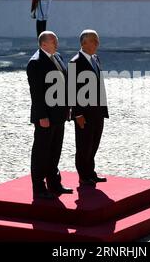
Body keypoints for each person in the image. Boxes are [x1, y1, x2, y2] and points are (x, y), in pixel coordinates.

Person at [26, 31, 73, 199]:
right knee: (41, 152)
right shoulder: (36, 63)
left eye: (56, 40)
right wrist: (42, 116)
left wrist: (68, 107)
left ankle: (54, 183)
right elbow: (37, 94)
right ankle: (39, 187)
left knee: (55, 150)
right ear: (43, 44)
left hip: (59, 113)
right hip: (45, 116)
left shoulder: (57, 56)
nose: (57, 43)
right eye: (53, 41)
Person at [68, 30, 109, 186]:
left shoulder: (96, 58)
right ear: (84, 43)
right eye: (94, 40)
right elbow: (71, 91)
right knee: (84, 145)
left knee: (94, 143)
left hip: (97, 111)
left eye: (97, 40)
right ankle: (83, 175)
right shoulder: (75, 62)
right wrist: (77, 114)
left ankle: (91, 171)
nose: (97, 43)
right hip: (83, 113)